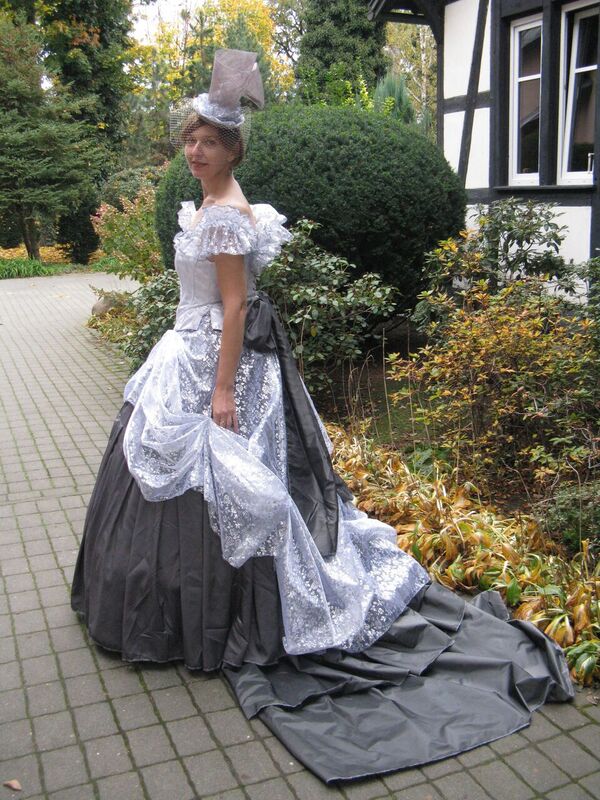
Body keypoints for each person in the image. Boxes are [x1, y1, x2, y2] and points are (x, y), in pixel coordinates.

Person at [71, 48, 575, 784]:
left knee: (230, 486)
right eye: (189, 139)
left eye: (207, 142)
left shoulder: (227, 216)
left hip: (215, 361)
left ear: (233, 150)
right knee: (197, 484)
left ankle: (224, 614)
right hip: (192, 350)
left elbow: (234, 307)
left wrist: (222, 392)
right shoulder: (216, 206)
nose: (194, 150)